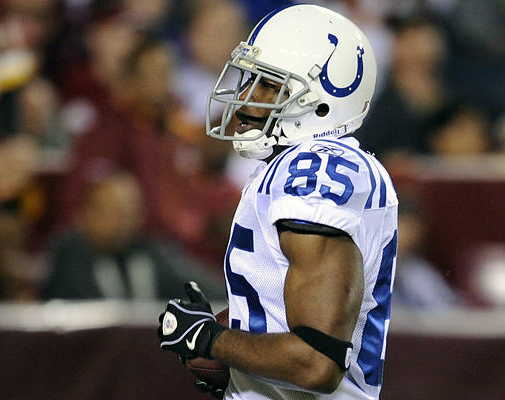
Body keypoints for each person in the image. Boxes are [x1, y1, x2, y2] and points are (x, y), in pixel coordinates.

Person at [158, 5, 398, 399]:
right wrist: (241, 361)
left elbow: (316, 362)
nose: (246, 98)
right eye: (249, 80)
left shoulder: (315, 171)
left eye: (269, 85)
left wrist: (212, 340)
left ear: (323, 101)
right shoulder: (291, 165)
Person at [42, 172, 226, 300]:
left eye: (129, 213)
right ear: (86, 214)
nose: (122, 222)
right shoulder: (68, 255)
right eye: (112, 212)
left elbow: (208, 289)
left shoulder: (150, 252)